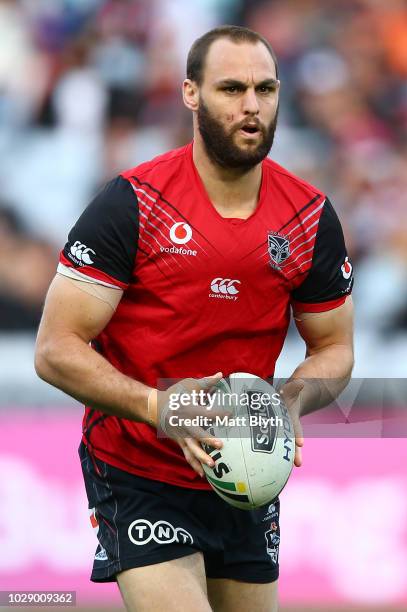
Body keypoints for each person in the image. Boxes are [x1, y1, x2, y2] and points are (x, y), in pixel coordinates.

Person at [35, 25, 354, 612]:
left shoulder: (309, 217)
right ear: (190, 94)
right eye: (231, 88)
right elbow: (55, 350)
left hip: (245, 471)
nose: (251, 106)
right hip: (138, 468)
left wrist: (292, 400)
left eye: (265, 89)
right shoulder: (133, 203)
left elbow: (334, 347)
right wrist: (163, 409)